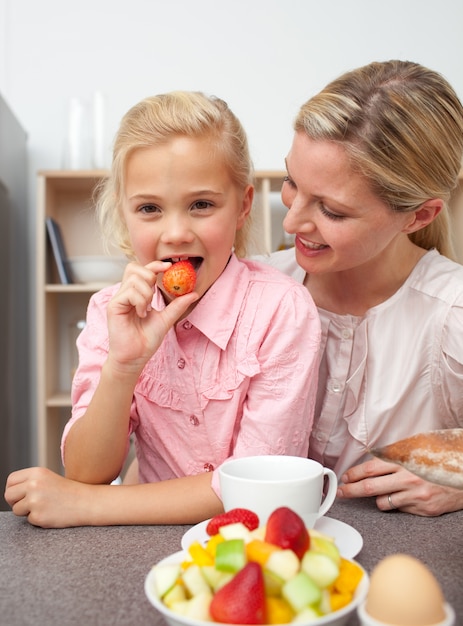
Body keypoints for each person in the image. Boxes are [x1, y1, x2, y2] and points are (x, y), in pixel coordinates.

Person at [4, 91, 320, 527]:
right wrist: (123, 365)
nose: (175, 232)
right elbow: (86, 471)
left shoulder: (281, 310)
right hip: (145, 546)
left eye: (201, 205)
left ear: (243, 205)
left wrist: (86, 504)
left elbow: (257, 486)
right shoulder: (107, 312)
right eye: (149, 208)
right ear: (125, 212)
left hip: (252, 547)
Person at [261, 59, 463, 517]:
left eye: (332, 211)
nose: (291, 223)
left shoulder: (451, 312)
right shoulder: (255, 289)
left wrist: (457, 473)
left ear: (419, 216)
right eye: (292, 182)